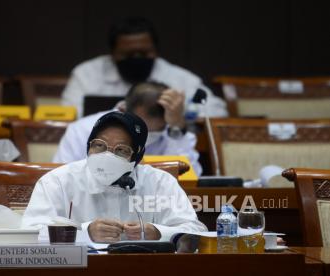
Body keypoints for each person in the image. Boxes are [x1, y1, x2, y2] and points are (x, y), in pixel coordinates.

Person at [22, 111, 206, 243]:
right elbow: (30, 235)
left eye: (121, 150)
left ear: (137, 157)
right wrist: (86, 233)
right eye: (99, 146)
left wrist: (158, 233)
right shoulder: (57, 181)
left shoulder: (160, 182)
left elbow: (195, 232)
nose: (107, 156)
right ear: (88, 146)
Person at [61, 16, 227, 118]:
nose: (137, 58)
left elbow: (217, 110)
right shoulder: (86, 74)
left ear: (155, 51)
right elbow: (68, 113)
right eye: (128, 54)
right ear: (112, 54)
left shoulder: (177, 77)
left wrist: (181, 110)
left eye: (144, 52)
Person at [54, 81, 203, 176]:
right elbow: (61, 177)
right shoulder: (82, 130)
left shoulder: (172, 131)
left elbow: (192, 177)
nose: (145, 137)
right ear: (123, 110)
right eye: (140, 128)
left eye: (153, 132)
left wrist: (177, 128)